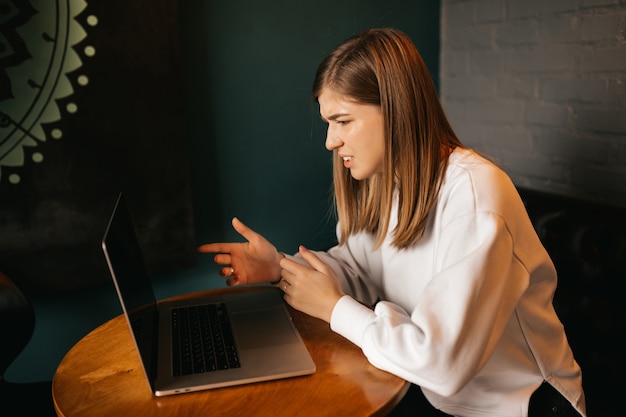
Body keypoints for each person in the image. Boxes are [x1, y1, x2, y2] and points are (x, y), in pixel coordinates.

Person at [198, 27, 586, 417]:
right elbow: (357, 269)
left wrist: (336, 310)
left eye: (343, 121)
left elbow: (443, 365)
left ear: (396, 110)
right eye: (329, 123)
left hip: (523, 407)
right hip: (432, 394)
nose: (330, 141)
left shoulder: (475, 195)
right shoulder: (391, 184)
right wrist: (277, 267)